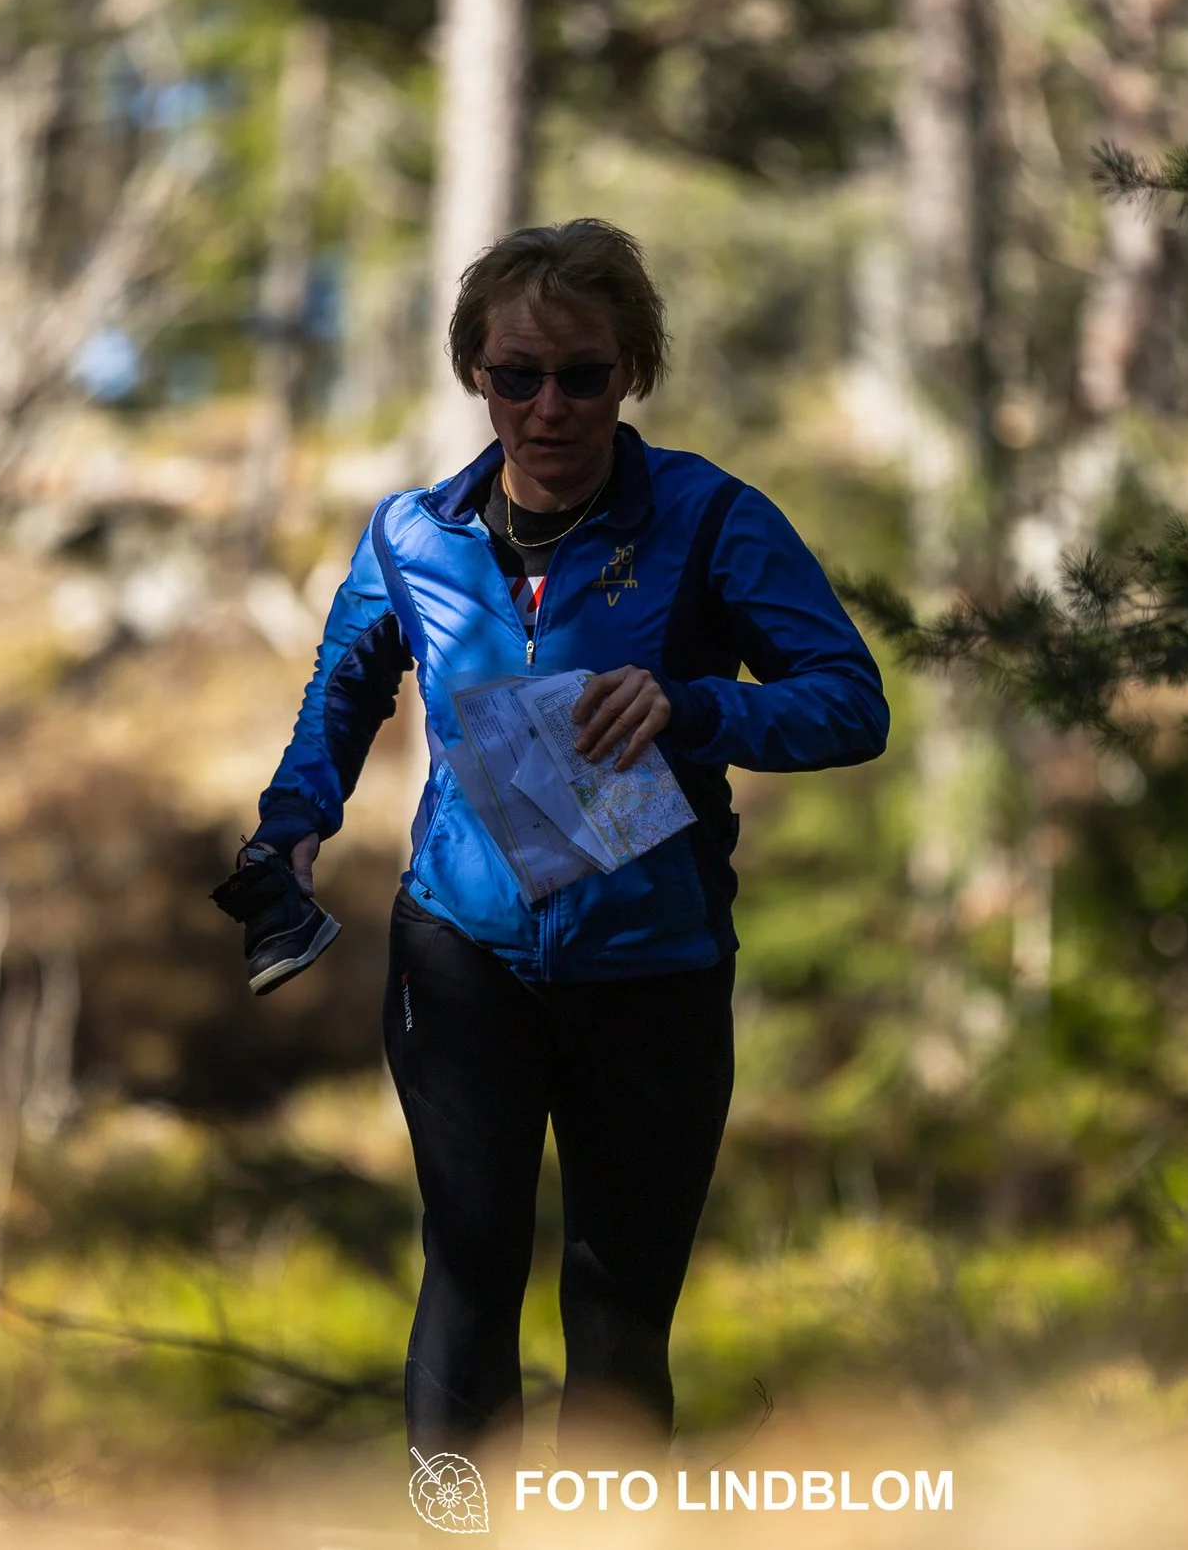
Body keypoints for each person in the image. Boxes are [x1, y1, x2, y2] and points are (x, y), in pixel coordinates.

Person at [232, 218, 889, 1463]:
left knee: (618, 1305)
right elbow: (342, 688)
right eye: (513, 375)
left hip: (655, 965)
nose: (546, 407)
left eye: (581, 374)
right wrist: (293, 827)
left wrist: (697, 706)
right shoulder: (410, 536)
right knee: (470, 1268)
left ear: (632, 370)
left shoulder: (710, 520)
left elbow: (851, 701)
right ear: (473, 373)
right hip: (462, 954)